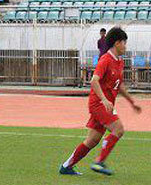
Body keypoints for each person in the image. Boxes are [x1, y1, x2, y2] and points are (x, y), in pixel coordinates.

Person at [59, 27, 142, 176]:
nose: (125, 46)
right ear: (117, 43)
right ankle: (99, 162)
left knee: (92, 140)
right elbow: (94, 81)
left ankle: (66, 166)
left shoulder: (119, 62)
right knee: (118, 129)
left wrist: (132, 102)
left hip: (105, 104)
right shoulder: (105, 60)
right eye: (124, 43)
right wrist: (104, 100)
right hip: (98, 104)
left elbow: (119, 85)